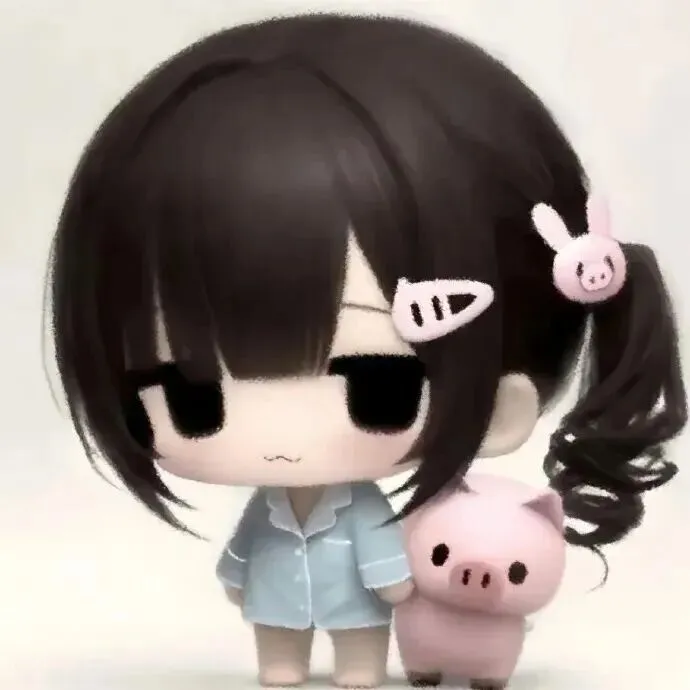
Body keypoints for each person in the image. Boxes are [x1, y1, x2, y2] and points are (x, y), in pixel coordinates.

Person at [47, 13, 686, 688]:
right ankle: (288, 663)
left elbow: (385, 564)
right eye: (192, 397)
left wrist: (400, 586)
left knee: (358, 650)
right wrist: (240, 577)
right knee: (284, 651)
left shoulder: (365, 516)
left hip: (355, 616)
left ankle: (356, 666)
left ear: (503, 407)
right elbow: (245, 555)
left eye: (376, 389)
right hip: (277, 608)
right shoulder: (270, 514)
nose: (281, 437)